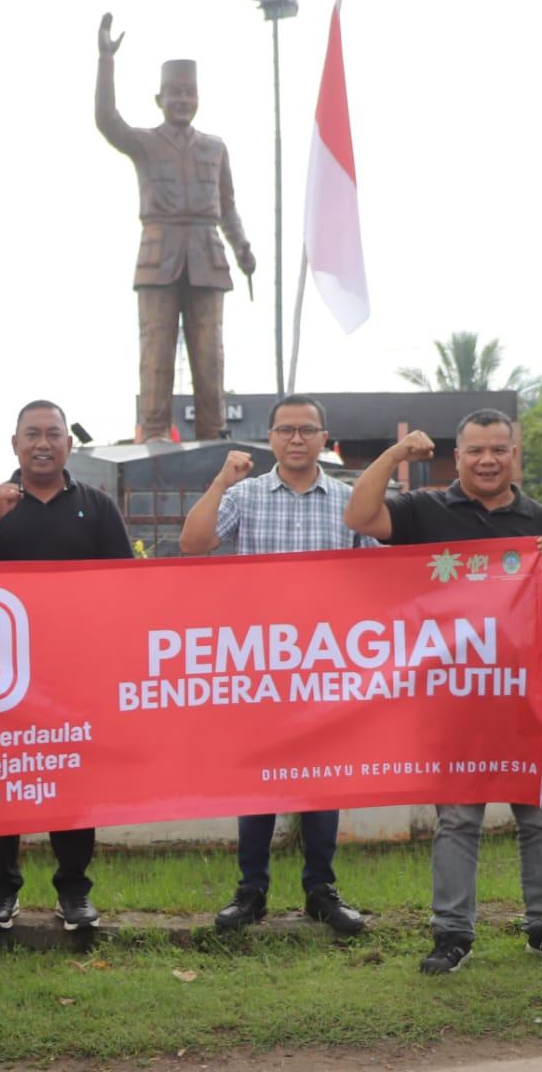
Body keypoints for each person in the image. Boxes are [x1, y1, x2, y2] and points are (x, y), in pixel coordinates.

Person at [345, 409, 542, 975]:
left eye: (499, 450)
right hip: (451, 696)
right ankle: (452, 933)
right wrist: (394, 455)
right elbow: (360, 517)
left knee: (539, 814)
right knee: (458, 818)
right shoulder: (424, 511)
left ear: (514, 455)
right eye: (476, 450)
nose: (487, 460)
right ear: (456, 458)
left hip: (531, 693)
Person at [179, 394, 373, 935]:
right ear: (269, 438)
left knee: (322, 781)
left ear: (323, 439)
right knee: (258, 780)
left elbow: (383, 575)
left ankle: (320, 889)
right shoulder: (244, 495)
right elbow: (194, 544)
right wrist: (221, 478)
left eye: (306, 430)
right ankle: (251, 891)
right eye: (285, 429)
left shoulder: (349, 500)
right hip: (260, 664)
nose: (295, 439)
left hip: (325, 663)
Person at [0, 401, 133, 931]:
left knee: (72, 785)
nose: (42, 443)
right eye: (31, 434)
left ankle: (74, 891)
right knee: (2, 782)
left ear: (68, 445)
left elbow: (124, 584)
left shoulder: (97, 505)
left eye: (52, 434)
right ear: (14, 444)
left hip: (73, 672)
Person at [96, 12, 255, 442]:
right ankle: (153, 432)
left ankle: (212, 431)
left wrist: (242, 247)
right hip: (158, 253)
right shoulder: (145, 143)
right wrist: (106, 61)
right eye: (175, 93)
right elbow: (107, 120)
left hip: (207, 254)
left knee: (210, 352)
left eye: (189, 93)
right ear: (159, 99)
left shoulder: (215, 147)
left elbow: (227, 206)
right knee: (156, 348)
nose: (183, 100)